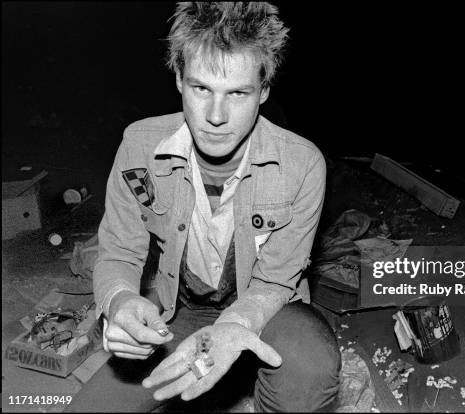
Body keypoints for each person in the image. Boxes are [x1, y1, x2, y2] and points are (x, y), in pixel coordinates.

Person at [67, 2, 340, 412]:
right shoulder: (139, 146)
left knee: (308, 364)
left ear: (264, 91)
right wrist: (120, 299)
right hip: (180, 311)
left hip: (265, 311)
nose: (215, 115)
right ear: (178, 79)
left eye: (238, 93)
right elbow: (121, 252)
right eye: (201, 89)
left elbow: (278, 281)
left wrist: (234, 326)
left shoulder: (301, 165)